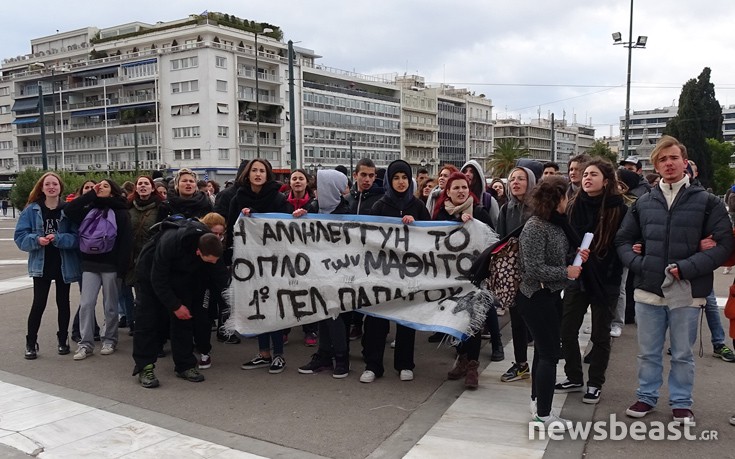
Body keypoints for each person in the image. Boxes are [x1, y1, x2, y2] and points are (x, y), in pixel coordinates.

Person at [615, 135, 733, 424]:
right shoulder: (644, 203)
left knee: (682, 353)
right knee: (648, 352)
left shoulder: (707, 202)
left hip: (687, 291)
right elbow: (623, 240)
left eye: (673, 158)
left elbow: (724, 246)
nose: (668, 163)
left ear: (684, 162)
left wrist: (688, 267)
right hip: (648, 291)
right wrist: (640, 263)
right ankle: (646, 396)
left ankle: (681, 402)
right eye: (662, 159)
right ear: (656, 165)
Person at [555, 159, 627, 405]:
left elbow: (623, 243)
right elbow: (563, 239)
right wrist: (571, 257)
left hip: (605, 279)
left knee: (600, 335)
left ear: (606, 181)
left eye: (593, 174)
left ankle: (595, 383)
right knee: (567, 329)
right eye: (585, 174)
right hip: (577, 276)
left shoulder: (619, 208)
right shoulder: (574, 205)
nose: (586, 178)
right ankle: (574, 376)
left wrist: (599, 256)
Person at [516, 175, 584, 429]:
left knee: (545, 352)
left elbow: (555, 257)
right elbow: (533, 268)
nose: (569, 200)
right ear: (556, 199)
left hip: (550, 295)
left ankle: (537, 401)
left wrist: (574, 256)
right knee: (548, 354)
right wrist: (566, 272)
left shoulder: (557, 224)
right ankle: (544, 414)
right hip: (536, 297)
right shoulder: (535, 226)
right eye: (566, 196)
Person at [359, 160, 431, 383]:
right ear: (390, 180)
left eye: (404, 178)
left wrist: (415, 226)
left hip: (408, 274)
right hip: (382, 273)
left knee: (406, 320)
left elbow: (429, 238)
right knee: (377, 321)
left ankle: (405, 364)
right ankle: (373, 365)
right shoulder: (380, 206)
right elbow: (369, 238)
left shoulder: (418, 206)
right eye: (396, 178)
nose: (400, 182)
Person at [132, 219, 224, 387]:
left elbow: (218, 275)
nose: (213, 263)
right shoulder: (170, 242)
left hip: (182, 276)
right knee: (148, 321)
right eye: (209, 260)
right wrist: (174, 305)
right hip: (150, 273)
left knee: (184, 319)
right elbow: (158, 279)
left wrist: (230, 299)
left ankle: (185, 365)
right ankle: (145, 366)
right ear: (198, 252)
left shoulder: (211, 245)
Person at [229, 159, 294, 374]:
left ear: (268, 175)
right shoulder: (238, 198)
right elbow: (231, 228)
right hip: (249, 264)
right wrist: (242, 218)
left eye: (262, 171)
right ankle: (263, 353)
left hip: (274, 263)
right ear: (248, 175)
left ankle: (278, 355)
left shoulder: (278, 198)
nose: (258, 174)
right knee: (257, 306)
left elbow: (288, 228)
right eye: (254, 170)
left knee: (272, 308)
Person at [14, 172, 81, 359]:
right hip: (41, 263)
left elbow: (77, 238)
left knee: (63, 302)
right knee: (38, 304)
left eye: (55, 184)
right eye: (47, 184)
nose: (51, 187)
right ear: (42, 188)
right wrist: (36, 240)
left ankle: (62, 339)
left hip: (63, 263)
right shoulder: (32, 210)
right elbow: (19, 237)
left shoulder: (67, 210)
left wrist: (59, 238)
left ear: (60, 187)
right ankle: (31, 342)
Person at [64, 179, 133, 360]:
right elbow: (69, 210)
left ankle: (110, 339)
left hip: (111, 265)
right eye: (98, 185)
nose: (100, 187)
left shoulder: (120, 211)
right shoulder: (89, 208)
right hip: (90, 264)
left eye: (105, 185)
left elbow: (126, 242)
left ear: (113, 191)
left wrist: (122, 269)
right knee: (86, 303)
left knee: (110, 305)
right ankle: (85, 344)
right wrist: (90, 194)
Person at [436, 172, 493, 389]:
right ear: (447, 192)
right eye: (456, 188)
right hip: (450, 278)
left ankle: (472, 367)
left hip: (474, 278)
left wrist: (472, 224)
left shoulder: (479, 213)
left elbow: (490, 241)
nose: (461, 191)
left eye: (464, 187)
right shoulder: (441, 215)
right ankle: (461, 357)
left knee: (473, 322)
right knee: (456, 319)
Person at [295, 169, 352, 378]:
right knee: (322, 314)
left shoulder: (347, 211)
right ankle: (325, 356)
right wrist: (300, 217)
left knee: (334, 314)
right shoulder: (313, 208)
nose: (315, 191)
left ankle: (341, 358)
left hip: (339, 272)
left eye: (319, 186)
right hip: (317, 271)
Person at [497, 166, 537, 382]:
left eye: (521, 178)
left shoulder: (539, 208)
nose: (516, 182)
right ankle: (521, 364)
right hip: (513, 274)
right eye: (512, 179)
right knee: (517, 322)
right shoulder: (506, 209)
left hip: (536, 274)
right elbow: (500, 240)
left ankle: (543, 363)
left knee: (537, 321)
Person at [345, 158, 384, 341]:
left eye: (371, 175)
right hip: (350, 255)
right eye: (363, 175)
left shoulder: (381, 199)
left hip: (372, 256)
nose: (367, 179)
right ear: (355, 175)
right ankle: (356, 323)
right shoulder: (347, 199)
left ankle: (370, 331)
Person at [125, 175, 164, 336]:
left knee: (154, 297)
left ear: (152, 187)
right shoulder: (128, 207)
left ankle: (156, 332)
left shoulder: (161, 206)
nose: (142, 186)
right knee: (140, 297)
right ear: (135, 188)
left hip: (153, 257)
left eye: (146, 184)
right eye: (139, 184)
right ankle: (142, 330)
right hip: (134, 259)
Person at [284, 169, 319, 347]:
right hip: (286, 255)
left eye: (301, 178)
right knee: (286, 291)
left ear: (307, 182)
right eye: (294, 178)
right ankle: (284, 328)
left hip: (309, 255)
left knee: (308, 292)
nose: (297, 181)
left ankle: (310, 328)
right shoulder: (282, 202)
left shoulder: (314, 204)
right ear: (290, 182)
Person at [462, 160, 499, 228]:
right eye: (465, 171)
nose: (467, 174)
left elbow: (496, 226)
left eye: (472, 172)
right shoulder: (455, 200)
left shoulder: (489, 201)